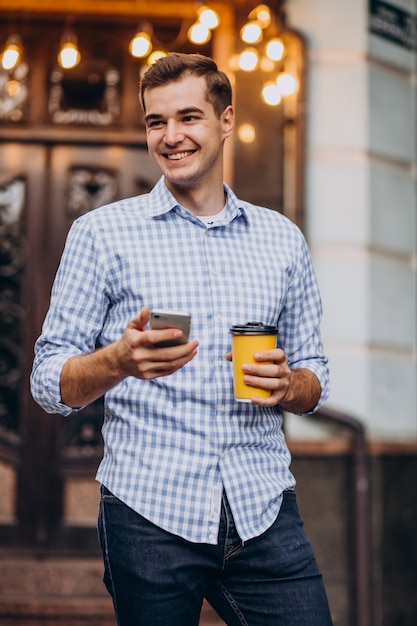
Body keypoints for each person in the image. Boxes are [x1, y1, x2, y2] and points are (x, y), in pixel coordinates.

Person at [31, 52, 333, 626]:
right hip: (149, 514)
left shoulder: (281, 240)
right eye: (155, 122)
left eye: (188, 117)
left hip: (263, 508)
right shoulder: (101, 234)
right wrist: (117, 361)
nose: (171, 137)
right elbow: (49, 381)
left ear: (225, 121)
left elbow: (314, 374)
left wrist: (290, 383)